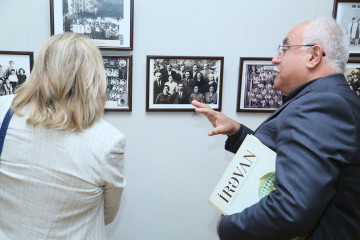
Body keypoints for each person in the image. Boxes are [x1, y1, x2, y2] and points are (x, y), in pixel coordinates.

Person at [192, 17, 360, 239]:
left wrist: (227, 226)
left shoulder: (323, 104)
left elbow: (291, 210)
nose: (275, 59)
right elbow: (291, 158)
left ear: (313, 55)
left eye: (284, 50)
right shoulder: (331, 99)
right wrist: (237, 132)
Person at [0, 33, 126, 239]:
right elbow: (107, 214)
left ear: (41, 68)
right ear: (94, 77)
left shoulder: (5, 109)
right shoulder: (108, 141)